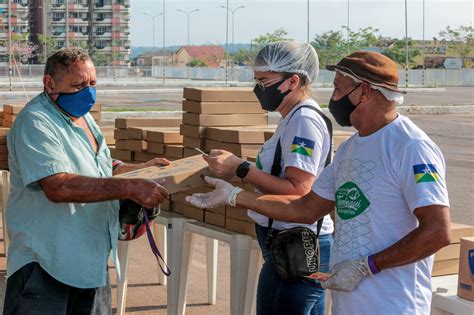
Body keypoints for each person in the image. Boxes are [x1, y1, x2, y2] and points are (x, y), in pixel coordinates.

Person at [187, 51, 451, 314]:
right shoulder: (351, 148)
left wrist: (368, 266)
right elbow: (305, 208)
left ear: (364, 92)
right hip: (348, 302)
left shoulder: (411, 147)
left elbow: (437, 232)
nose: (332, 97)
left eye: (338, 89)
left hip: (392, 304)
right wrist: (235, 196)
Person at [4, 48, 169, 314]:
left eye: (92, 84)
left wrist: (142, 171)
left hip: (90, 263)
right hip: (45, 265)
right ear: (49, 83)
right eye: (79, 85)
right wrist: (130, 187)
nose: (88, 92)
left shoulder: (85, 120)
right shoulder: (36, 122)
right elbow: (59, 185)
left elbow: (102, 168)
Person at [201, 41, 334, 315]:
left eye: (264, 81)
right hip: (286, 242)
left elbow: (299, 191)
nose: (258, 89)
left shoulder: (304, 121)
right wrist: (237, 166)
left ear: (292, 81)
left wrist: (240, 170)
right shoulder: (291, 117)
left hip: (295, 244)